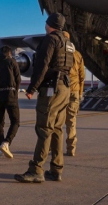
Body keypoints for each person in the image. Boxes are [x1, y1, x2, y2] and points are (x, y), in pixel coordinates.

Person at [15, 13, 76, 183]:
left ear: (49, 24)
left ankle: (36, 169)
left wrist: (32, 88)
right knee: (57, 129)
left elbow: (42, 65)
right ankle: (56, 169)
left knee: (44, 128)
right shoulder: (69, 44)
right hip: (64, 88)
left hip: (51, 89)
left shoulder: (50, 40)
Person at [59, 32, 85, 156]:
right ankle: (71, 149)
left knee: (56, 121)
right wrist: (80, 94)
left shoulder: (59, 52)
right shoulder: (78, 55)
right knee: (71, 121)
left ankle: (52, 147)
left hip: (61, 90)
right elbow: (82, 76)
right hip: (74, 91)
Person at [0, 45, 22, 159]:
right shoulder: (12, 61)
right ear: (9, 53)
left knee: (0, 121)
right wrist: (15, 91)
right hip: (10, 94)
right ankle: (6, 142)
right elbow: (18, 79)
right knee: (15, 121)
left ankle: (0, 145)